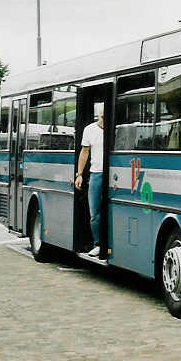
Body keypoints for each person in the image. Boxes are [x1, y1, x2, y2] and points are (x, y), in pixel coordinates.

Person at [75, 107, 104, 257]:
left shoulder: (117, 129)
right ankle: (97, 244)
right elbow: (84, 152)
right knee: (95, 213)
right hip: (96, 174)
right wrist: (80, 174)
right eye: (102, 116)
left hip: (114, 174)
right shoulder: (90, 130)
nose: (103, 119)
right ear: (99, 115)